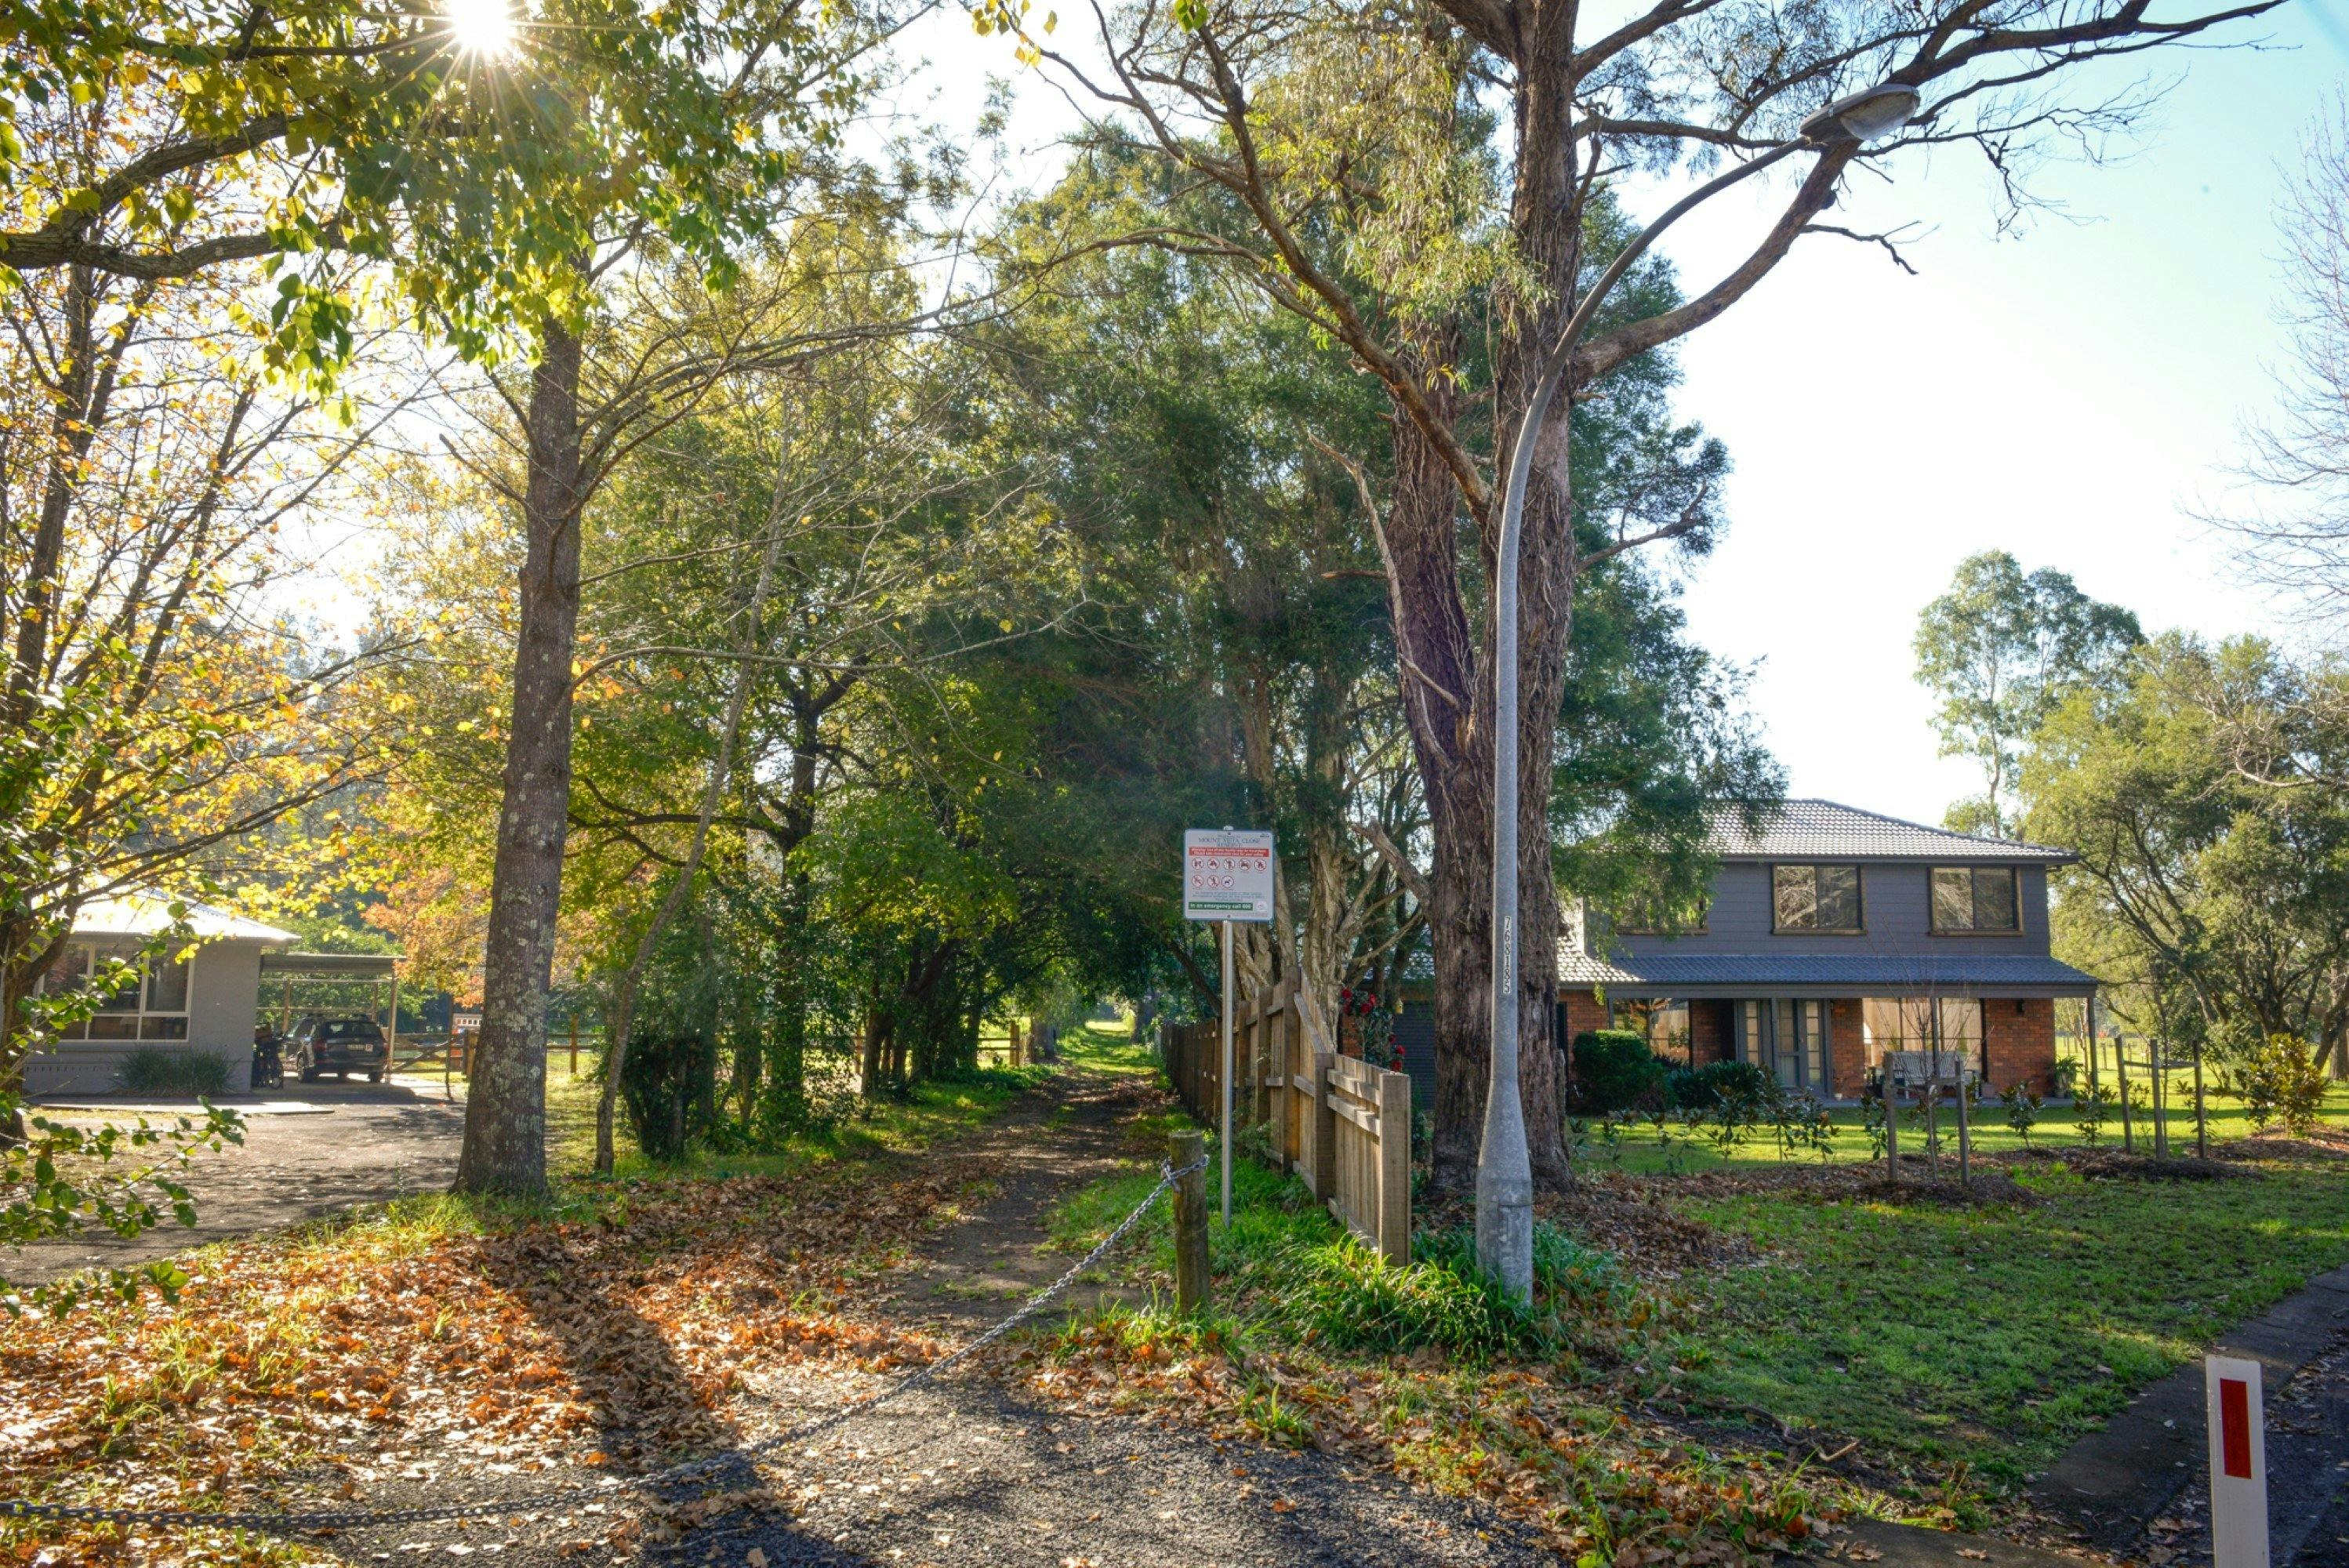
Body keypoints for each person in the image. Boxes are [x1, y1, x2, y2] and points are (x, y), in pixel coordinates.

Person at [251, 1022, 283, 1090]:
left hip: (268, 1050)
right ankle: (265, 1079)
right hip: (266, 1050)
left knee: (267, 1060)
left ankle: (265, 1079)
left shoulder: (263, 1036)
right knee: (263, 1060)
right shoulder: (269, 1036)